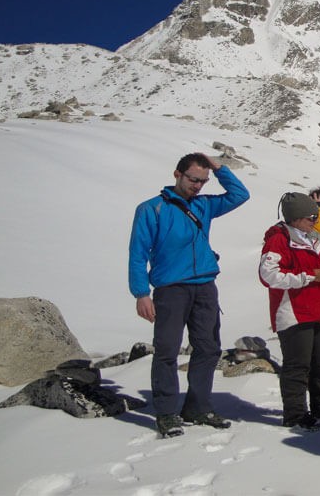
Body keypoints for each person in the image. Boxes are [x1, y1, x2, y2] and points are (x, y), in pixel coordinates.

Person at [128, 152, 250, 438]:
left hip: (205, 285)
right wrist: (141, 293)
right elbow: (137, 254)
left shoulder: (204, 205)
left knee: (208, 349)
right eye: (194, 179)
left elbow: (240, 194)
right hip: (171, 288)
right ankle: (167, 413)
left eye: (203, 181)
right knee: (167, 350)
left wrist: (219, 169)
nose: (198, 186)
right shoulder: (152, 209)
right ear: (177, 174)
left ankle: (197, 407)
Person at [259, 192, 320, 430]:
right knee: (297, 366)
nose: (315, 220)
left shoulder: (314, 236)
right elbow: (268, 275)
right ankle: (296, 414)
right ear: (295, 218)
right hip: (293, 311)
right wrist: (309, 276)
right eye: (311, 216)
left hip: (319, 307)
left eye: (317, 215)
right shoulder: (278, 240)